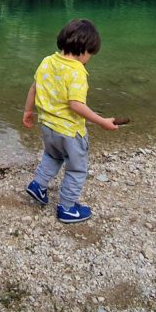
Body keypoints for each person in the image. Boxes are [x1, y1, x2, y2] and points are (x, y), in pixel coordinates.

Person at [21, 18, 117, 223]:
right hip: (70, 133)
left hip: (47, 127)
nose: (89, 59)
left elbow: (34, 88)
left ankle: (38, 185)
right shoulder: (77, 72)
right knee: (76, 168)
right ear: (83, 50)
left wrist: (28, 111)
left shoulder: (47, 61)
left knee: (52, 156)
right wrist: (101, 121)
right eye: (90, 54)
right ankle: (67, 208)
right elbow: (76, 104)